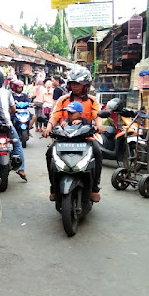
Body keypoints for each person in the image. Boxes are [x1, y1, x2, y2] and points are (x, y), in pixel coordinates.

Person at [43, 65, 106, 202]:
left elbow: (97, 116)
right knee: (49, 155)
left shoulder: (92, 100)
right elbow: (55, 116)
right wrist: (48, 127)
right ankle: (53, 188)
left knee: (98, 154)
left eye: (79, 83)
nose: (75, 86)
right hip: (64, 138)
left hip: (86, 138)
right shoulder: (63, 100)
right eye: (73, 83)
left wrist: (99, 126)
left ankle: (94, 189)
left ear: (86, 85)